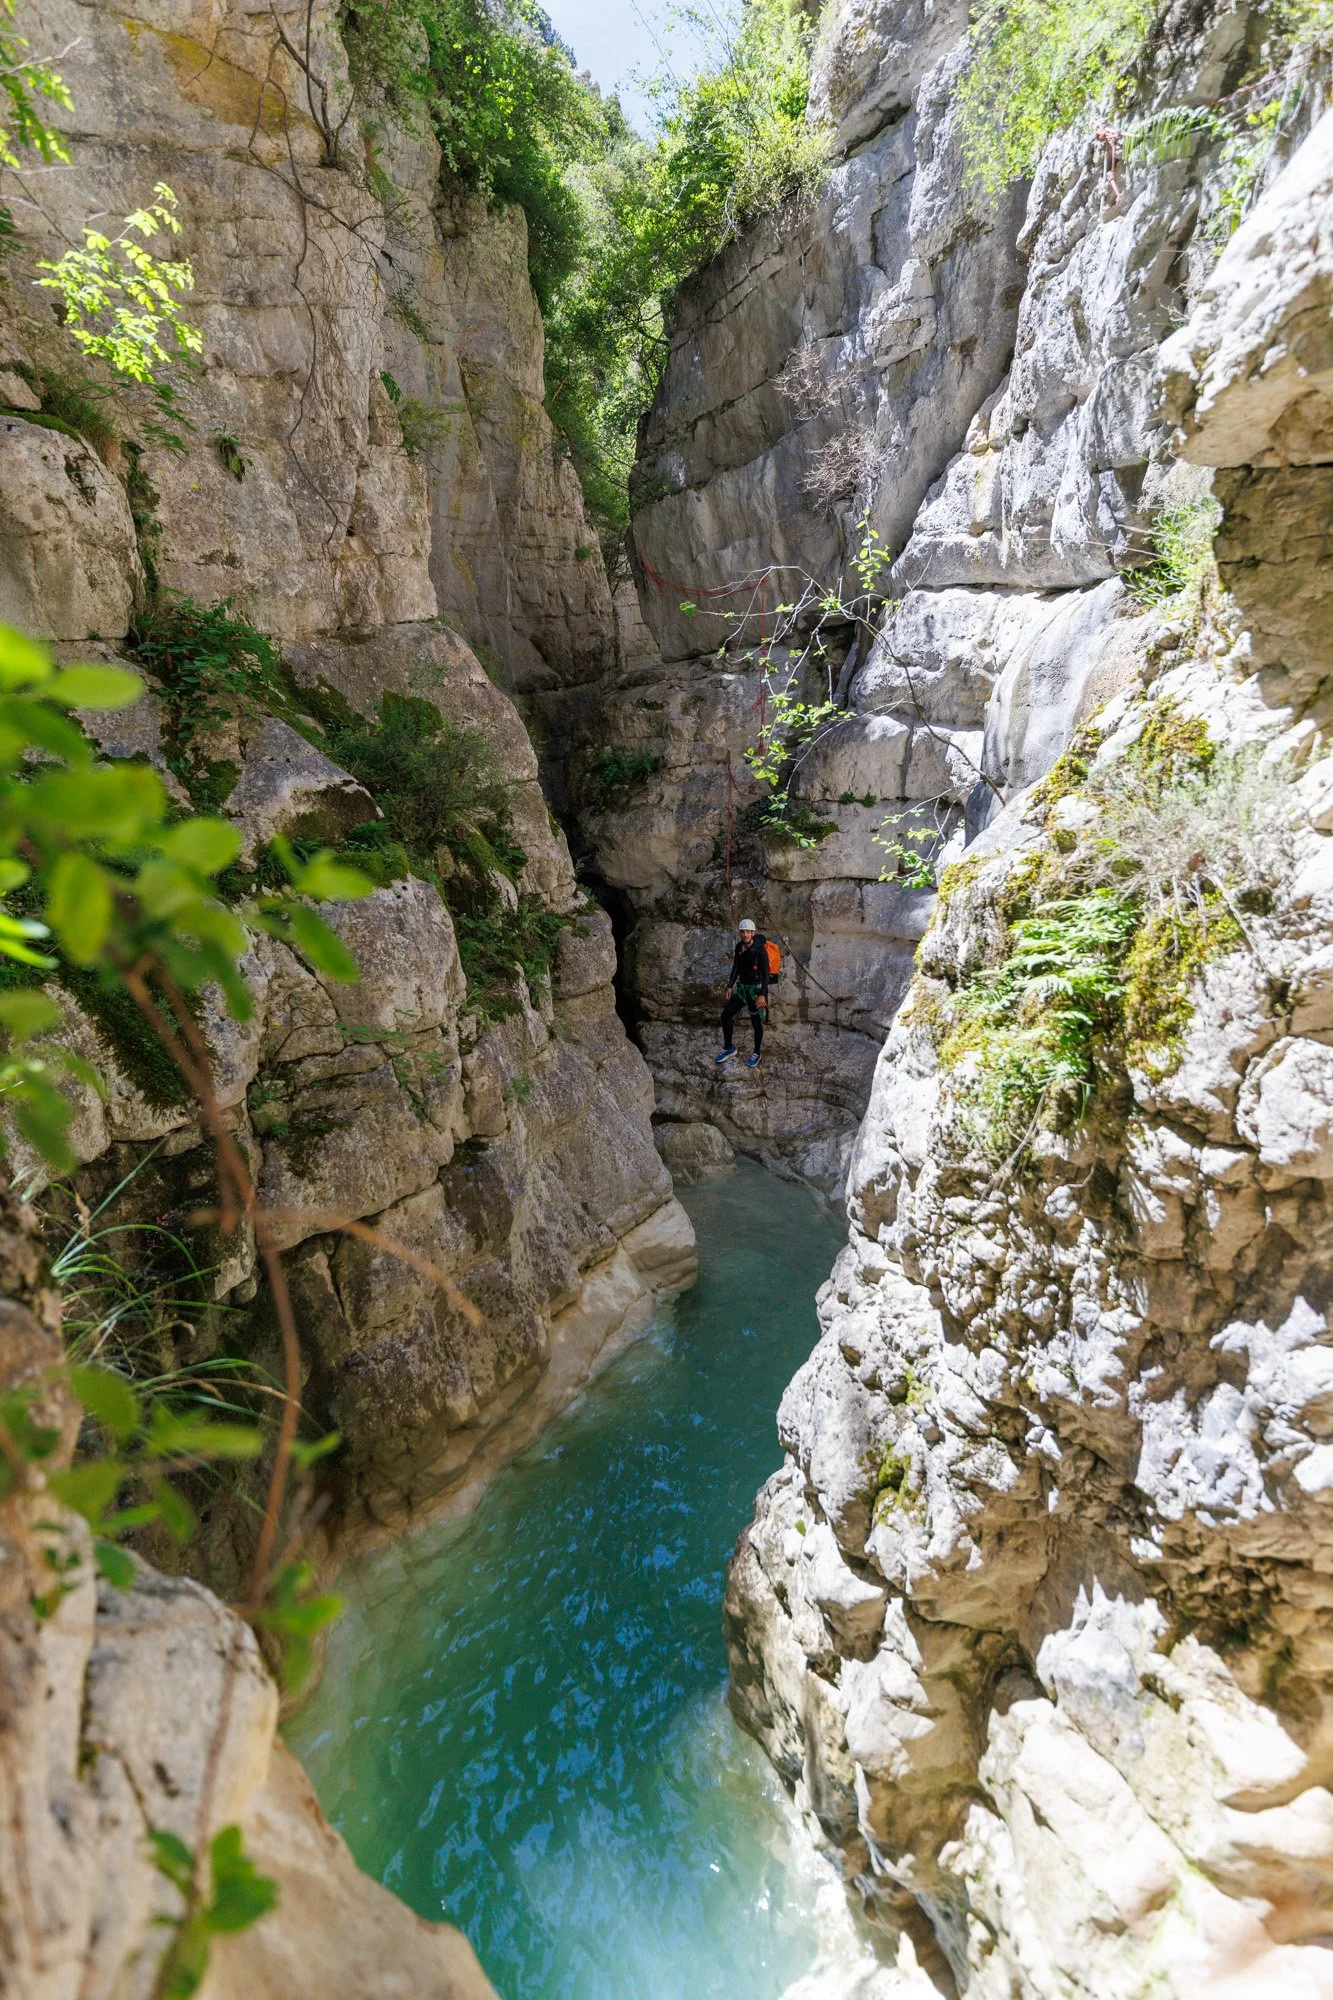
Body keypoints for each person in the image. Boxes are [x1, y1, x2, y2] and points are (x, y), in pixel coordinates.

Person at [716, 917, 768, 1067]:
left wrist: (762, 995)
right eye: (742, 932)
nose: (745, 934)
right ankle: (728, 1048)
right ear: (739, 933)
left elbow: (766, 973)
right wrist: (730, 986)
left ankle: (757, 1052)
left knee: (756, 1022)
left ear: (753, 933)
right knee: (726, 1015)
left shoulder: (760, 951)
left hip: (755, 990)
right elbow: (736, 966)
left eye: (748, 932)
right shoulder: (739, 947)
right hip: (742, 989)